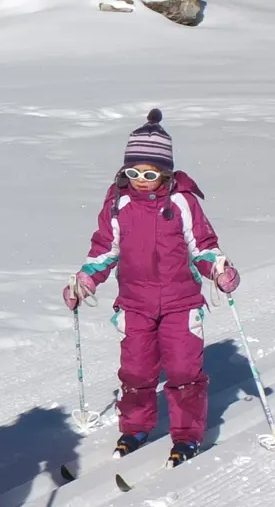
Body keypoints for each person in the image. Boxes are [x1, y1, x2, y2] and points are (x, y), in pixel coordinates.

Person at [63, 110, 240, 466]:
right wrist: (85, 280)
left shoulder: (182, 201)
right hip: (135, 304)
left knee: (183, 370)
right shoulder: (119, 203)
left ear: (166, 171)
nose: (141, 180)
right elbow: (105, 249)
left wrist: (220, 271)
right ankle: (135, 427)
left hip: (181, 302)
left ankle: (188, 435)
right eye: (133, 173)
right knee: (137, 371)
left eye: (149, 173)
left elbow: (202, 246)